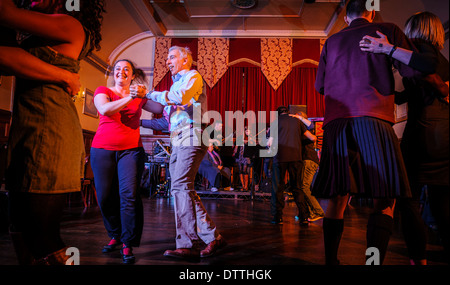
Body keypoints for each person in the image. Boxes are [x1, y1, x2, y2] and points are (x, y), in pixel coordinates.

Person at [312, 0, 422, 265]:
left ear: (345, 16)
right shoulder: (386, 29)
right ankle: (372, 262)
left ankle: (331, 261)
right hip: (373, 117)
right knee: (383, 197)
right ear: (371, 12)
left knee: (338, 196)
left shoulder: (332, 41)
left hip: (337, 123)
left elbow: (321, 87)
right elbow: (414, 70)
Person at [1, 0, 105, 265]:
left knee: (44, 238)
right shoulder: (38, 31)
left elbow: (5, 15)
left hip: (50, 129)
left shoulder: (69, 25)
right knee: (19, 228)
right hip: (28, 127)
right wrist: (63, 76)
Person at [360, 12, 449, 264]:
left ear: (416, 30)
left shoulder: (421, 51)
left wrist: (387, 48)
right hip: (444, 135)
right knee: (442, 204)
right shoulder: (443, 59)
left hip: (423, 132)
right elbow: (414, 92)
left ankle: (417, 258)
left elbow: (426, 67)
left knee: (408, 200)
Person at [145, 46, 226, 259]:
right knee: (183, 189)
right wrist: (137, 116)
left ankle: (187, 244)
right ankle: (213, 237)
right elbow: (164, 120)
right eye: (167, 58)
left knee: (181, 186)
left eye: (171, 57)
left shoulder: (192, 76)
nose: (167, 61)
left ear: (185, 60)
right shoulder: (175, 85)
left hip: (191, 135)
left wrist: (148, 93)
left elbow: (179, 97)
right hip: (178, 138)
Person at [90, 59, 164, 264]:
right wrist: (129, 97)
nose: (121, 72)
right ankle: (115, 234)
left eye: (126, 70)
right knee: (104, 196)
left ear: (132, 75)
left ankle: (127, 242)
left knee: (129, 195)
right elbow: (105, 110)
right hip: (102, 150)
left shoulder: (137, 96)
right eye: (118, 69)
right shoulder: (103, 90)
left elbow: (158, 108)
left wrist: (143, 94)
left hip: (131, 151)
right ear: (114, 73)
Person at [268, 106, 316, 225]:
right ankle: (304, 216)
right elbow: (312, 137)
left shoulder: (275, 122)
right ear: (289, 113)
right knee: (297, 187)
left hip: (280, 158)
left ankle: (277, 217)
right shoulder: (297, 121)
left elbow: (269, 143)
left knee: (278, 188)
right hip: (296, 157)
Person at [293, 112, 324, 222]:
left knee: (304, 187)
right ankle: (308, 213)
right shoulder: (301, 131)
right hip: (306, 161)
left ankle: (318, 211)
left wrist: (299, 117)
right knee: (303, 187)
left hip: (309, 161)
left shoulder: (307, 128)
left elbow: (311, 125)